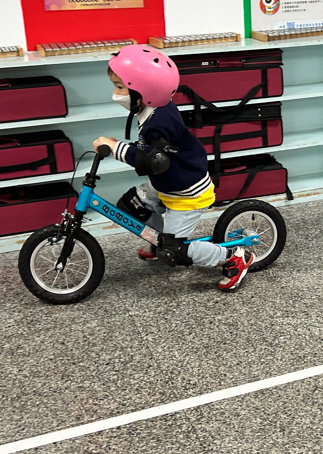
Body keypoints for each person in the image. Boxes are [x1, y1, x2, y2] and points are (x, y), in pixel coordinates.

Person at [92, 44, 255, 290]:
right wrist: (120, 146)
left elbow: (152, 160)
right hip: (168, 182)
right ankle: (158, 239)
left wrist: (116, 149)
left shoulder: (159, 120)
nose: (115, 94)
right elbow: (150, 149)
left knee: (174, 250)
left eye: (120, 87)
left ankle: (234, 258)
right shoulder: (151, 108)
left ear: (144, 89)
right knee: (132, 206)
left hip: (186, 192)